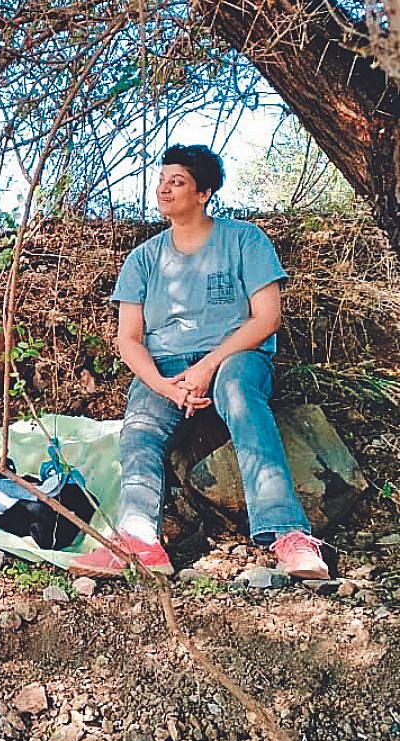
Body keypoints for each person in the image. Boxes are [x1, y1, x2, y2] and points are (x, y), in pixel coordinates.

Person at [70, 144, 329, 580]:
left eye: (178, 182)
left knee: (241, 398)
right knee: (138, 432)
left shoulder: (244, 240)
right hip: (166, 367)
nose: (164, 190)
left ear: (204, 192)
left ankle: (288, 537)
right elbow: (128, 338)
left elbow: (267, 318)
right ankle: (140, 542)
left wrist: (207, 366)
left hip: (236, 356)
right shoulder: (143, 259)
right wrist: (164, 385)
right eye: (162, 180)